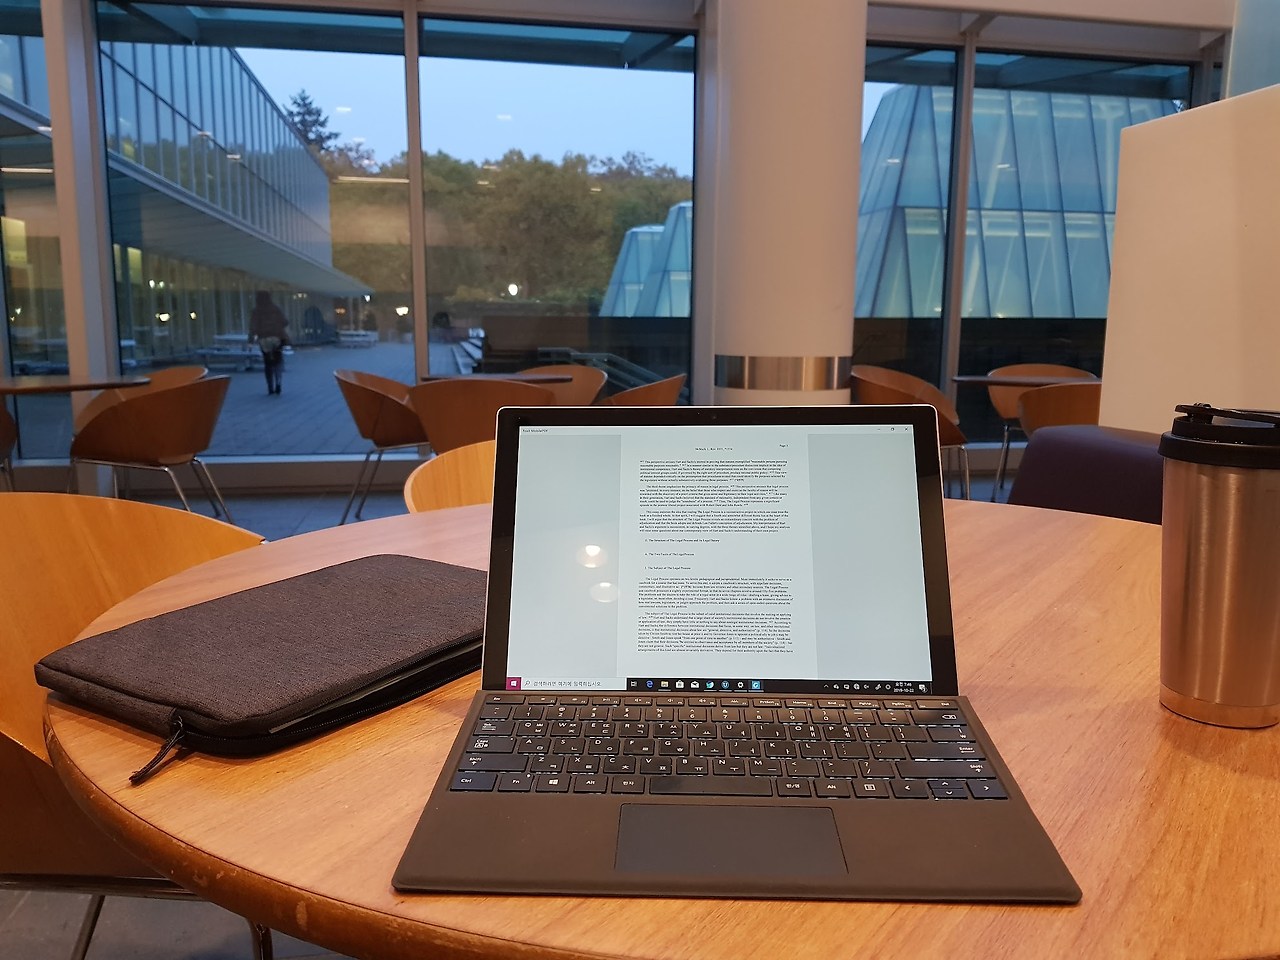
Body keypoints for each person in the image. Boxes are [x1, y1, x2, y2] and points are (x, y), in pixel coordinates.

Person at [249, 290, 290, 395]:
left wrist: (251, 339)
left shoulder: (256, 310)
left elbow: (253, 326)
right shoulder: (275, 309)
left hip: (264, 339)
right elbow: (285, 322)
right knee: (278, 360)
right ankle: (278, 383)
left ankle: (270, 387)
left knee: (267, 363)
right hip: (277, 338)